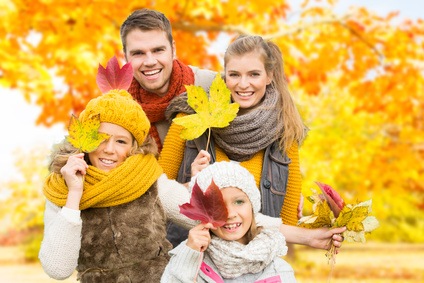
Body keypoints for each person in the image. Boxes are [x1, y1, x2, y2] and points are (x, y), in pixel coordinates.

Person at [160, 35, 346, 248]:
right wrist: (189, 185)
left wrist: (324, 227)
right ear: (224, 76)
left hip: (254, 262)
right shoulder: (191, 118)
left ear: (269, 76)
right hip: (194, 256)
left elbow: (286, 222)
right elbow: (156, 194)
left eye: (254, 74)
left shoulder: (284, 133)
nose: (243, 84)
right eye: (234, 75)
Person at [38, 88, 196, 282]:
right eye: (101, 138)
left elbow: (203, 219)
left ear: (134, 147)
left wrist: (199, 181)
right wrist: (74, 194)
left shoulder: (149, 181)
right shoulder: (60, 189)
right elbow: (58, 268)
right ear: (84, 140)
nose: (109, 149)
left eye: (121, 141)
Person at [161, 161, 297, 282]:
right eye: (218, 205)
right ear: (204, 213)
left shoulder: (279, 270)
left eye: (239, 202)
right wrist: (189, 256)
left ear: (252, 206)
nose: (230, 214)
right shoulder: (188, 258)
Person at [120, 8, 216, 153]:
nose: (150, 61)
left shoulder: (212, 85)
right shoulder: (121, 109)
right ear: (126, 57)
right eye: (138, 53)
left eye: (158, 50)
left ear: (173, 49)